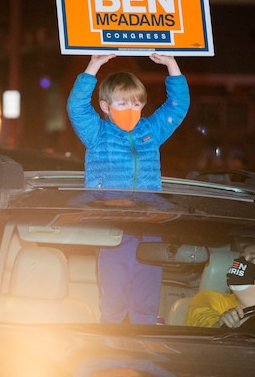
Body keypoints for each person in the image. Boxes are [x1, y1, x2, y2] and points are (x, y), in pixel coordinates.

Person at [67, 53, 190, 324]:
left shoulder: (151, 131)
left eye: (136, 103)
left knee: (146, 305)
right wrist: (94, 65)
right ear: (105, 107)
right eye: (122, 103)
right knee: (113, 305)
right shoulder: (97, 134)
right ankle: (111, 353)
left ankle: (143, 356)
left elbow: (178, 106)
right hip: (112, 228)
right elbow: (77, 108)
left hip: (149, 227)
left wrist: (171, 65)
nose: (130, 109)